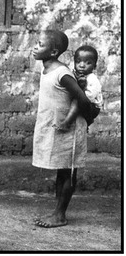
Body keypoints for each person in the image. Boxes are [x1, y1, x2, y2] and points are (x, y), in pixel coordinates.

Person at [31, 30, 93, 228]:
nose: (35, 47)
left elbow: (82, 99)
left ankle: (60, 215)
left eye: (40, 44)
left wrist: (84, 119)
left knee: (67, 172)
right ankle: (58, 212)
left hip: (70, 129)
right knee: (62, 171)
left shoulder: (62, 73)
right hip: (58, 127)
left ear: (53, 51)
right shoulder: (47, 68)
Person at [55, 45, 102, 131]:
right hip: (85, 101)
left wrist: (81, 88)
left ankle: (66, 123)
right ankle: (86, 122)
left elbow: (88, 98)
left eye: (88, 63)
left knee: (77, 101)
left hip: (93, 107)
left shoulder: (92, 79)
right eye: (78, 62)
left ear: (94, 66)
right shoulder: (75, 74)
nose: (82, 65)